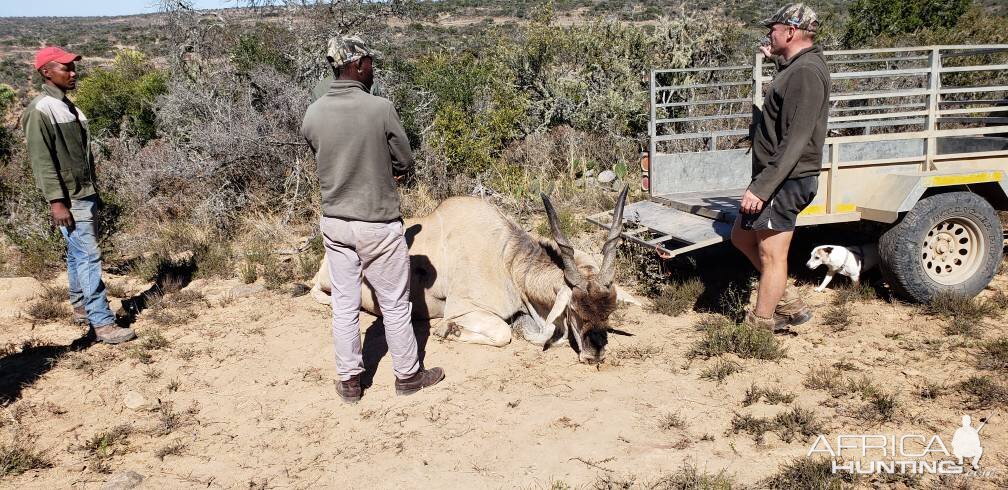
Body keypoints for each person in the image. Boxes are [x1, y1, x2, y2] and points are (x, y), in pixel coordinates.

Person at [300, 36, 444, 403]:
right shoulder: (380, 108)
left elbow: (321, 153)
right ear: (357, 64)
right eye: (370, 62)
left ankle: (350, 382)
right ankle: (408, 376)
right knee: (395, 304)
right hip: (377, 224)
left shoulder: (313, 113)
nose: (373, 68)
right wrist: (388, 172)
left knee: (344, 304)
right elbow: (404, 161)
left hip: (335, 222)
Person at [21, 46, 136, 345]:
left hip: (84, 193)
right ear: (46, 72)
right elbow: (41, 160)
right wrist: (57, 202)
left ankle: (81, 307)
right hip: (70, 197)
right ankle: (103, 323)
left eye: (74, 68)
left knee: (77, 254)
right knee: (89, 256)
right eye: (66, 68)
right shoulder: (40, 110)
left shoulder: (67, 105)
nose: (73, 73)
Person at [730, 4, 831, 333]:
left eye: (774, 29)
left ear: (791, 31)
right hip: (774, 176)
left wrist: (762, 187)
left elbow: (796, 139)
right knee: (741, 237)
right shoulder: (796, 67)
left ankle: (759, 328)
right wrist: (774, 58)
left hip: (786, 179)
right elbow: (788, 93)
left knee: (771, 254)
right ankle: (787, 303)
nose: (769, 34)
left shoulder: (806, 73)